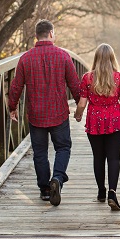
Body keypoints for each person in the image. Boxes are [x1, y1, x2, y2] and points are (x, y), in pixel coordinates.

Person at [8, 19, 80, 206]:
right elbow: (74, 84)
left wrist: (12, 106)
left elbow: (16, 86)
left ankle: (45, 190)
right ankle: (57, 178)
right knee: (63, 148)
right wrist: (81, 104)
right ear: (51, 34)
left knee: (40, 152)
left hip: (36, 114)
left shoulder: (26, 58)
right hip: (58, 113)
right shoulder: (63, 56)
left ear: (35, 36)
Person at [74, 44, 120, 211]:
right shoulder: (118, 78)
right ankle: (112, 192)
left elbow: (82, 103)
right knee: (114, 158)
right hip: (115, 122)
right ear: (112, 58)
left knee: (98, 158)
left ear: (96, 59)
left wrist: (78, 115)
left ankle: (101, 191)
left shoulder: (87, 78)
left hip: (94, 122)